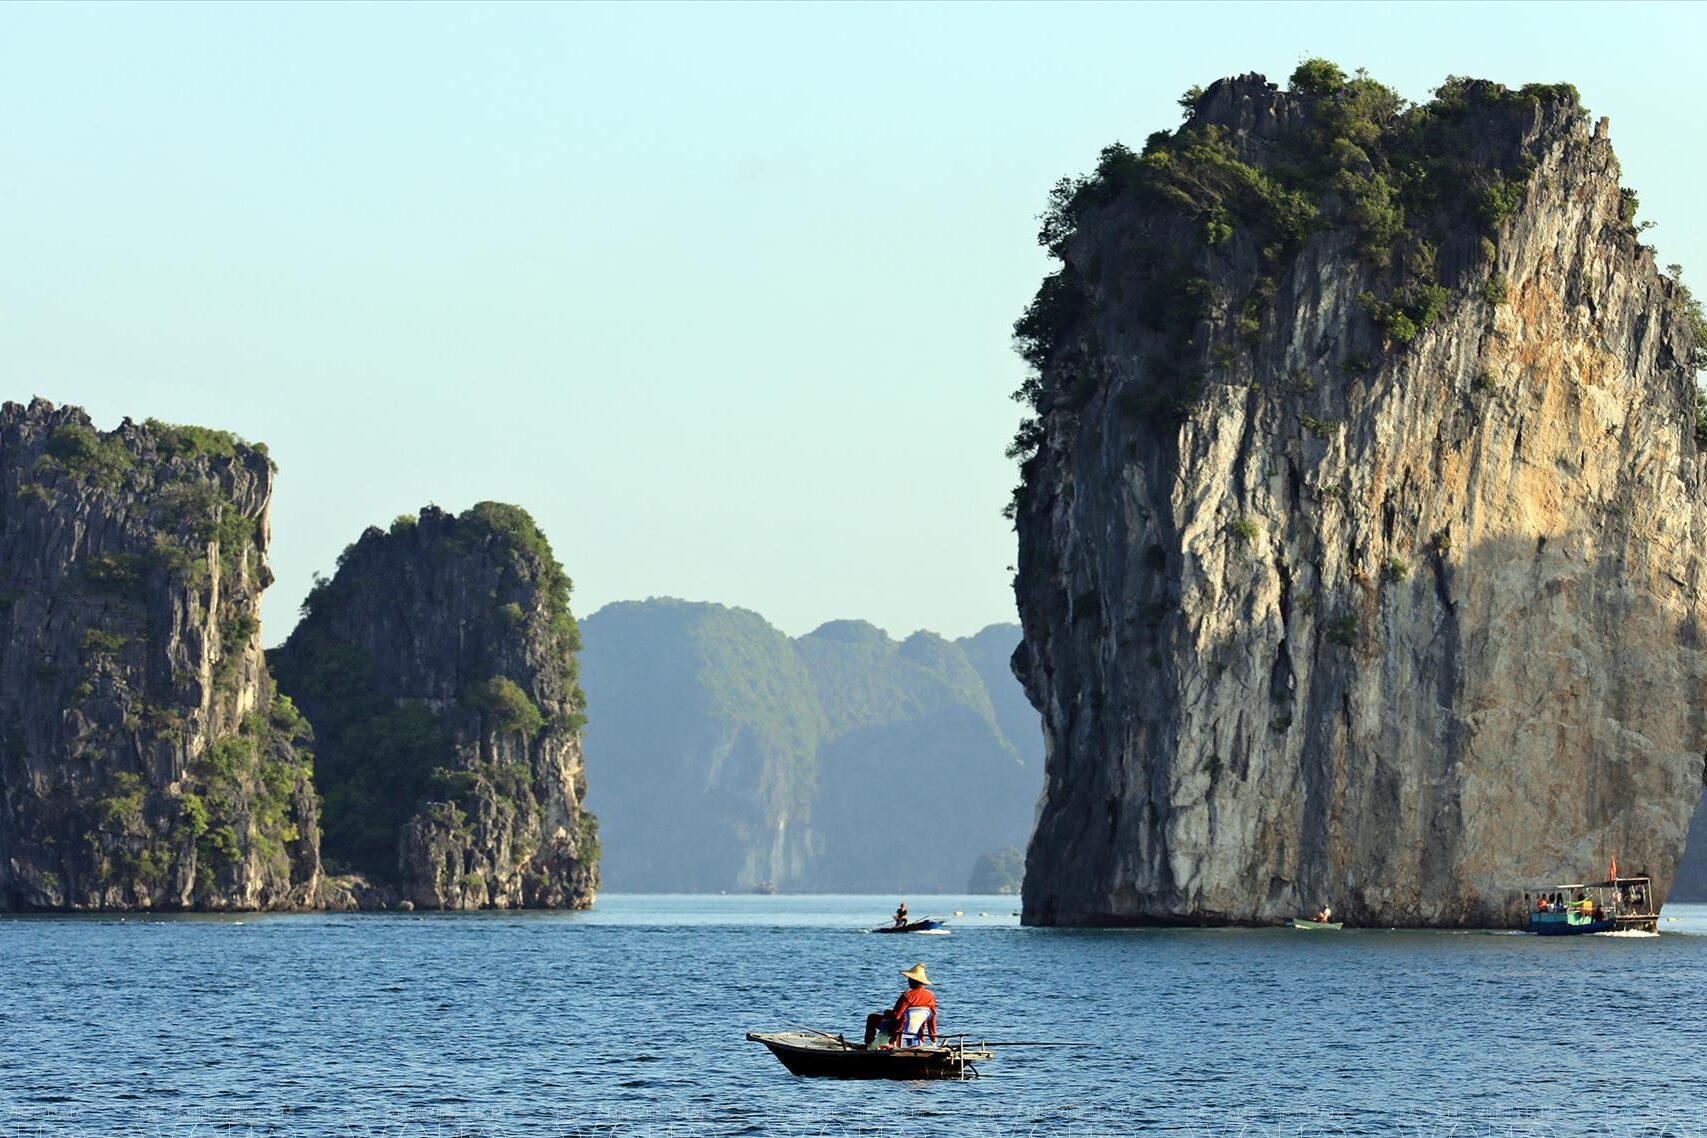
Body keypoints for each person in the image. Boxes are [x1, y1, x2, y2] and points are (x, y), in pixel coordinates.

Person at [863, 962, 937, 1049]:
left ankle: (869, 1045)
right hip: (916, 1029)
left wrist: (887, 1012)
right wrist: (933, 1038)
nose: (908, 980)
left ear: (914, 980)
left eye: (910, 978)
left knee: (871, 1017)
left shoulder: (907, 995)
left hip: (900, 1028)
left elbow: (896, 1016)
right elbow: (932, 1018)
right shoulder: (931, 996)